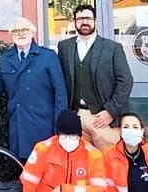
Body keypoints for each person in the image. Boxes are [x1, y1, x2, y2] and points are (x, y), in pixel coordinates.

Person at [0, 17, 67, 162]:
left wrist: (60, 127)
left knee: (46, 171)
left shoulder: (47, 57)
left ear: (32, 32)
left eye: (24, 30)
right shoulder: (7, 58)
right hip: (19, 125)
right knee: (24, 171)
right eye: (16, 31)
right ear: (11, 34)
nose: (21, 33)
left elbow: (60, 94)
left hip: (44, 125)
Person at [57, 4, 133, 152]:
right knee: (82, 165)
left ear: (95, 21)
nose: (84, 22)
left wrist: (110, 111)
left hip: (102, 118)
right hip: (76, 116)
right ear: (74, 22)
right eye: (80, 19)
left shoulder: (112, 48)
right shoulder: (64, 47)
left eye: (88, 18)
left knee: (110, 163)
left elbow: (126, 82)